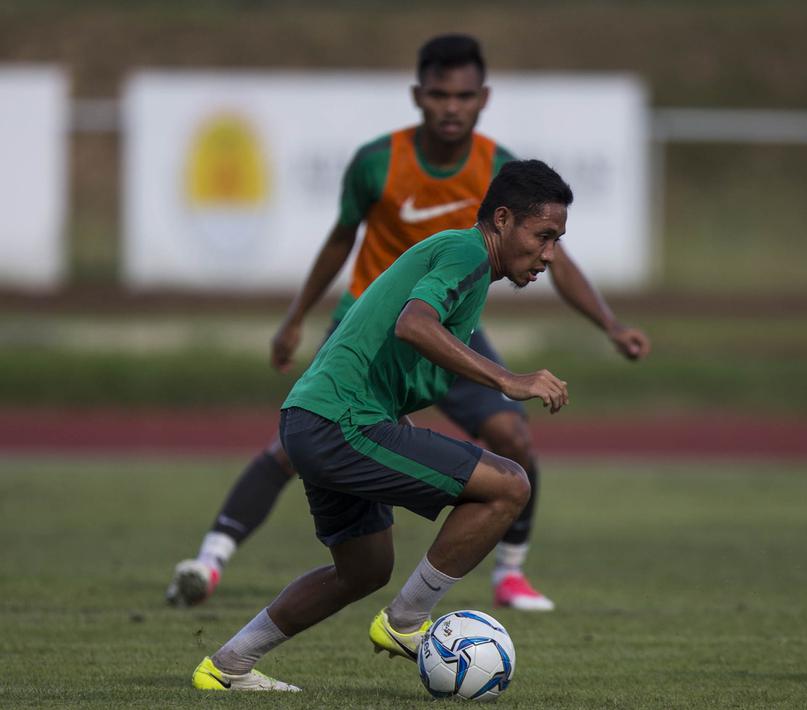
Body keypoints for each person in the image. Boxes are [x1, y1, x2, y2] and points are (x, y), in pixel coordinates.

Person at [166, 34, 650, 613]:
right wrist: (296, 317)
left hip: (451, 323)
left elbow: (555, 256)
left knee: (513, 438)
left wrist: (609, 324)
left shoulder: (500, 170)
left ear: (483, 99)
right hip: (373, 322)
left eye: (464, 96)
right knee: (302, 442)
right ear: (419, 96)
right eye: (440, 94)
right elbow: (341, 241)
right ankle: (211, 558)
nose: (452, 107)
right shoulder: (378, 162)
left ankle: (510, 574)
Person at [192, 158, 574, 691]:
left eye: (557, 240)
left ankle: (226, 667)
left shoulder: (467, 270)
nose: (550, 254)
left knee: (365, 569)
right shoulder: (466, 252)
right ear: (503, 219)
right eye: (544, 236)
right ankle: (406, 622)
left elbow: (395, 351)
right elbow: (413, 324)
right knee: (510, 485)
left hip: (314, 420)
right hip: (341, 423)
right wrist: (507, 379)